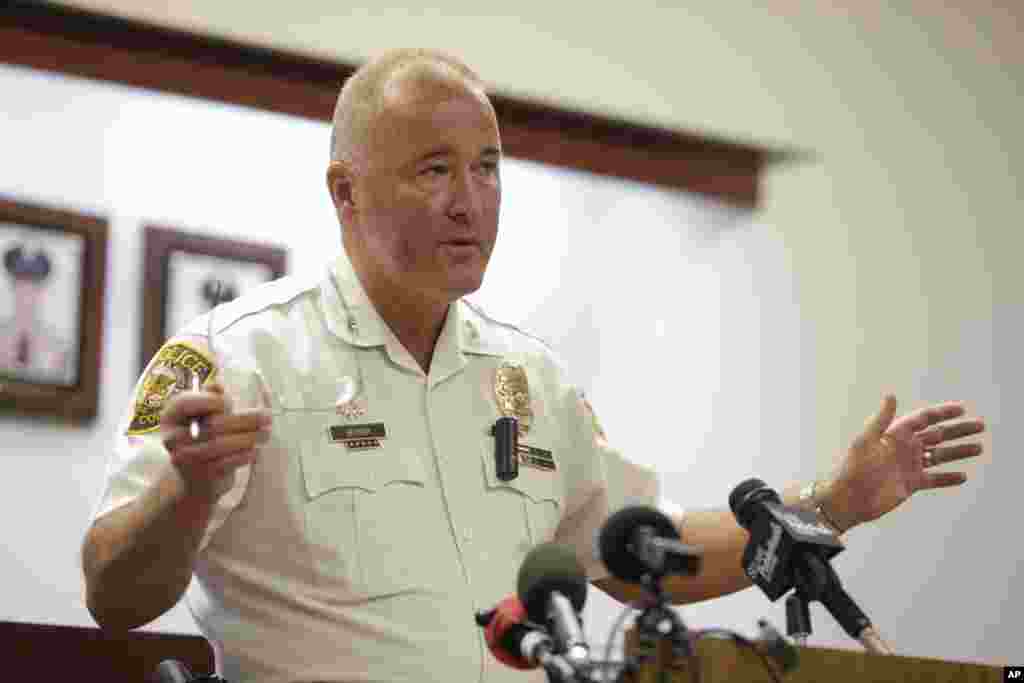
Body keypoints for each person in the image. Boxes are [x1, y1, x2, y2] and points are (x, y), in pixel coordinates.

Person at [81, 49, 986, 683]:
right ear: (344, 191)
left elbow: (643, 557)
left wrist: (826, 505)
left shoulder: (529, 380)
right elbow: (112, 595)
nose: (470, 203)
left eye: (487, 168)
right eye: (434, 170)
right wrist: (186, 494)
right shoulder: (237, 358)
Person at [0, 243, 73, 384]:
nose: (27, 294)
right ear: (12, 287)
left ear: (41, 290)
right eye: (21, 284)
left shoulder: (56, 349)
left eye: (33, 286)